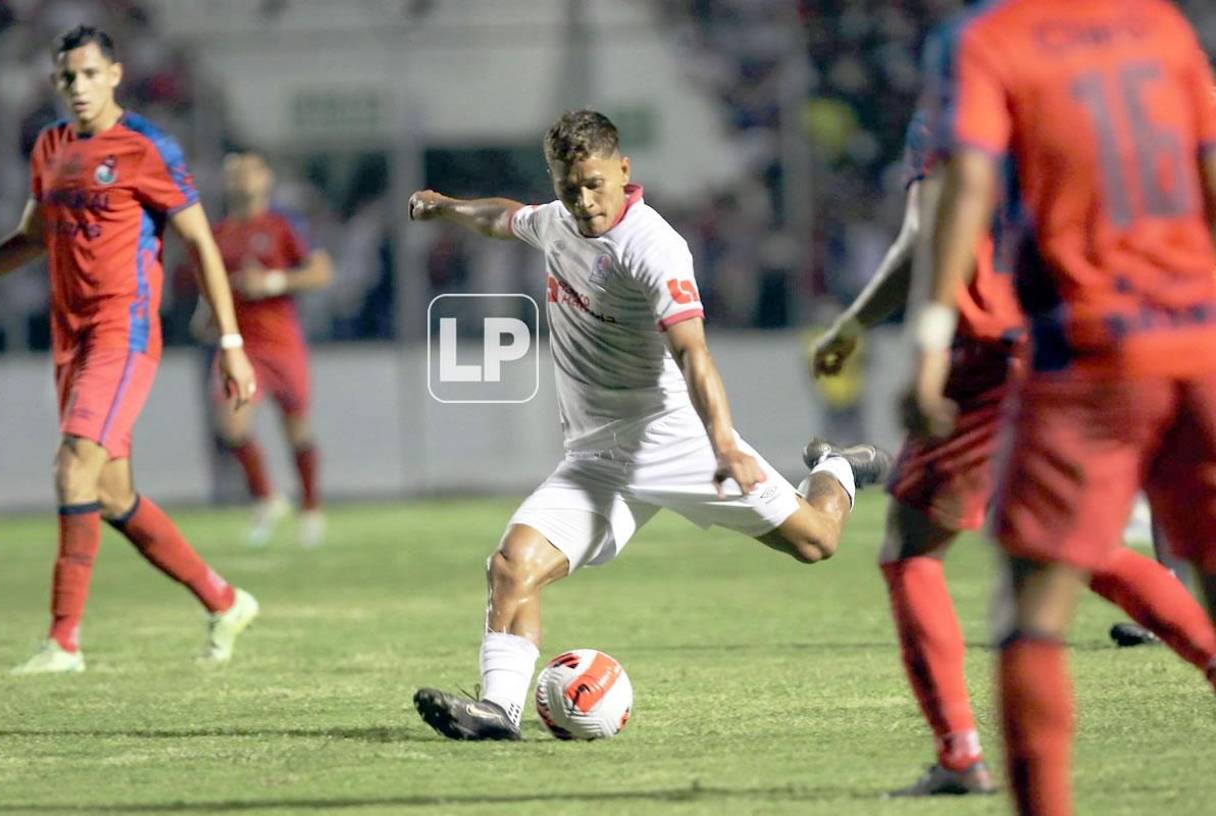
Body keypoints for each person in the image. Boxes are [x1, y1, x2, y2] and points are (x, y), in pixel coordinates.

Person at [406, 109, 891, 740]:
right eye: (567, 186)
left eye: (593, 184)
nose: (581, 202)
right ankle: (500, 711)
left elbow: (693, 351)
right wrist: (443, 205)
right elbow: (503, 217)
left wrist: (723, 443)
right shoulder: (557, 221)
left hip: (676, 442)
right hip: (593, 457)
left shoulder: (654, 247)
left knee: (815, 542)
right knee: (511, 566)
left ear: (623, 170)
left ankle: (837, 469)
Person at [813, 105, 1216, 797]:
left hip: (988, 353)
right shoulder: (1063, 109)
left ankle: (961, 755)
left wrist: (857, 324)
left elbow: (922, 242)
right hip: (1069, 341)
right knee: (1076, 544)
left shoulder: (950, 104)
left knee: (913, 549)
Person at [908, 2, 1216, 813]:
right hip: (1200, 340)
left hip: (1090, 353)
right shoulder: (1161, 27)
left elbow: (967, 179)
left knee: (1033, 608)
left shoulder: (988, 40)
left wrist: (931, 336)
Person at [0, 25, 260, 673]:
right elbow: (34, 236)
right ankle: (223, 600)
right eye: (66, 78)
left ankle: (63, 641)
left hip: (124, 332)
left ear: (114, 74)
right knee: (109, 494)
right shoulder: (50, 147)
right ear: (55, 83)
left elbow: (200, 242)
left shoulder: (147, 146)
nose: (78, 88)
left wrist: (229, 340)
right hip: (71, 338)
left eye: (89, 74)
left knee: (70, 468)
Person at [204, 149, 333, 547]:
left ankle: (310, 509)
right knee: (231, 424)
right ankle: (266, 498)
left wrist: (273, 283)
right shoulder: (218, 232)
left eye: (247, 172)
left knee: (296, 430)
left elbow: (321, 271)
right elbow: (214, 284)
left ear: (265, 179)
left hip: (282, 342)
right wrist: (205, 314)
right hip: (240, 346)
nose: (240, 180)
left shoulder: (282, 225)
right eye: (233, 174)